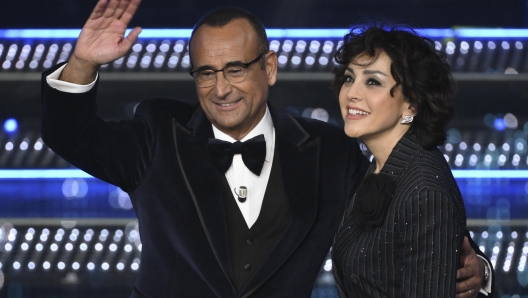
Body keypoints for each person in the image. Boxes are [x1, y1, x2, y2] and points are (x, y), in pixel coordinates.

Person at [40, 1, 490, 297]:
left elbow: (408, 218)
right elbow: (70, 135)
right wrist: (82, 62)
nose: (221, 89)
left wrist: (477, 271)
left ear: (269, 68)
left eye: (235, 69)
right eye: (206, 73)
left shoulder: (331, 154)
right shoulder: (157, 135)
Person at [331, 25, 494, 297]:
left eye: (373, 81)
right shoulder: (385, 165)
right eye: (349, 78)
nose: (351, 93)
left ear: (411, 104)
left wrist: (482, 270)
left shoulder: (423, 188)